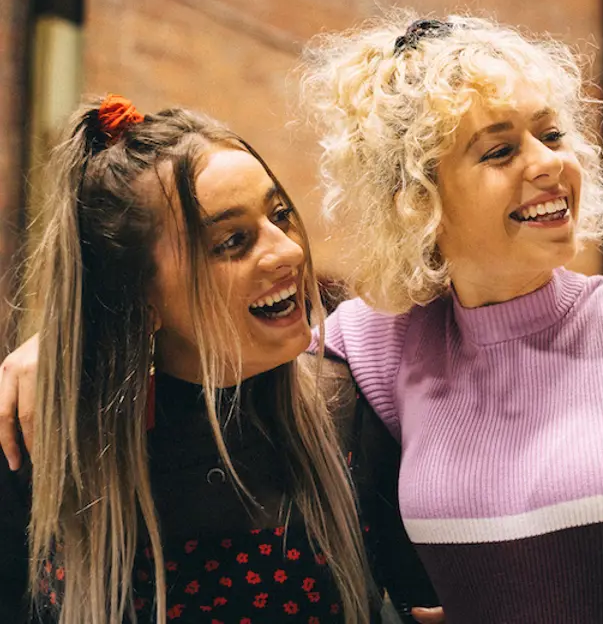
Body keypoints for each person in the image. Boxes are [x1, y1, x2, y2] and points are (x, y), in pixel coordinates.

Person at [294, 11, 603, 623]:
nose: (549, 164)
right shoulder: (385, 339)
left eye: (552, 135)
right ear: (418, 200)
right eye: (500, 151)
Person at [0, 95, 436, 624]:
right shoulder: (38, 435)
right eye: (233, 241)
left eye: (280, 215)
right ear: (139, 297)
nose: (289, 251)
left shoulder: (351, 406)